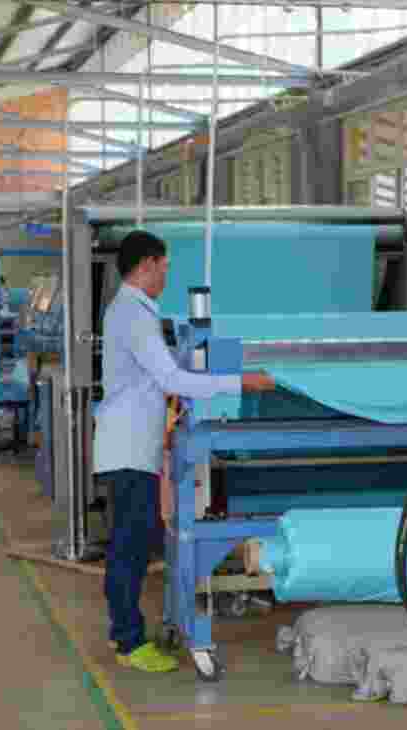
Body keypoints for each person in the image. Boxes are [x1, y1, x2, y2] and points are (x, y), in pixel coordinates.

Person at [93, 230, 274, 673]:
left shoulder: (134, 311)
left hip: (134, 445)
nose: (166, 276)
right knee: (130, 548)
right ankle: (129, 642)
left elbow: (161, 373)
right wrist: (240, 382)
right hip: (128, 448)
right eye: (165, 268)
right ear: (148, 265)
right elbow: (173, 380)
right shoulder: (133, 316)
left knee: (135, 543)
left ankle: (129, 635)